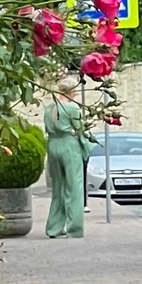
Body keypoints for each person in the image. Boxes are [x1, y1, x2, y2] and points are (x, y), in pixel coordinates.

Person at [42, 78, 88, 238]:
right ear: (71, 91)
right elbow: (80, 130)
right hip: (69, 146)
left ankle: (53, 228)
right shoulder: (72, 109)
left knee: (58, 187)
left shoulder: (49, 108)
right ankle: (74, 229)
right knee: (74, 187)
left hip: (53, 145)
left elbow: (47, 128)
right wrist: (88, 147)